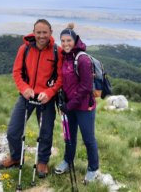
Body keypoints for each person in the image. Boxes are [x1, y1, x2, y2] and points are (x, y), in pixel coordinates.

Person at [0, 19, 63, 178]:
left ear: (50, 33)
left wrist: (50, 92)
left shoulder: (57, 51)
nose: (41, 36)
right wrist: (24, 88)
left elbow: (60, 77)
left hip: (46, 98)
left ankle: (42, 162)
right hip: (26, 96)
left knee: (46, 132)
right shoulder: (24, 49)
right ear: (34, 33)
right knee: (13, 131)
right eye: (38, 32)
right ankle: (15, 157)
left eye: (45, 32)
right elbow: (17, 72)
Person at [55, 23, 99, 183]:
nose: (65, 44)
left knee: (88, 139)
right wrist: (61, 100)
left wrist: (69, 105)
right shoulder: (65, 57)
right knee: (69, 137)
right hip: (69, 106)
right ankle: (68, 160)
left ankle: (93, 168)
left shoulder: (83, 60)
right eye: (63, 41)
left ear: (75, 40)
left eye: (68, 40)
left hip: (84, 107)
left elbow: (86, 87)